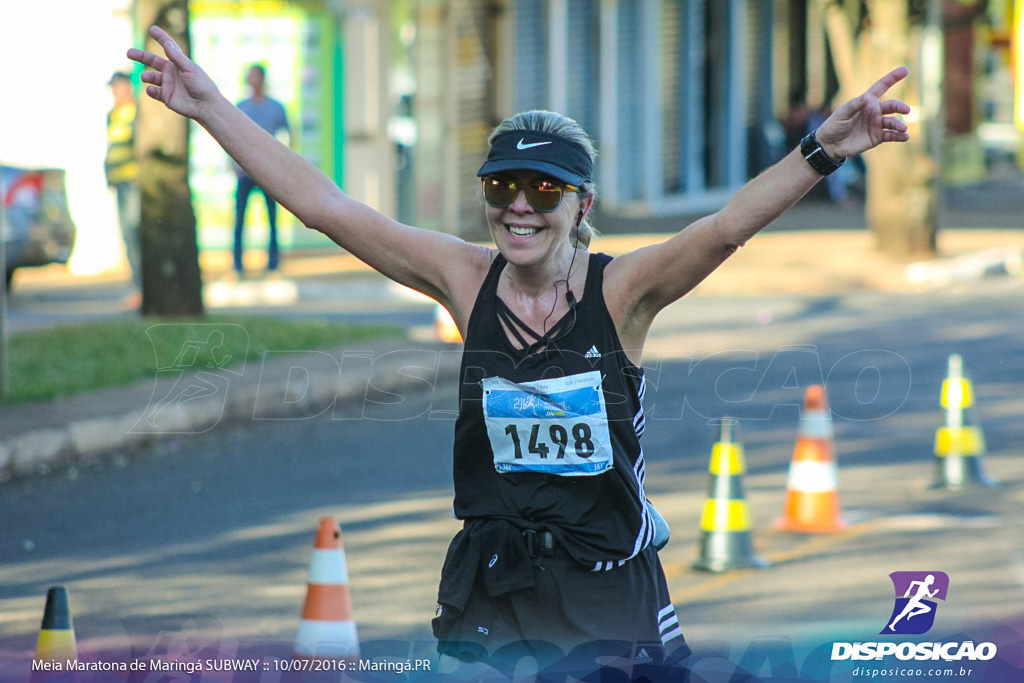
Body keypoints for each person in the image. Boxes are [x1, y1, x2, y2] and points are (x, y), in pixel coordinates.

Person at [129, 26, 911, 675]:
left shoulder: (620, 293)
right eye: (503, 186)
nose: (519, 206)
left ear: (581, 204)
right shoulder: (464, 279)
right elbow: (324, 206)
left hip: (608, 592)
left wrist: (824, 149)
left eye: (543, 189)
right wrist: (209, 108)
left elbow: (724, 227)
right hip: (493, 588)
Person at [233, 63, 290, 277]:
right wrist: (234, 165)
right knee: (239, 220)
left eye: (254, 76)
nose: (251, 80)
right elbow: (229, 136)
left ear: (262, 79)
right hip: (244, 173)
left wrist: (285, 163)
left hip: (269, 173)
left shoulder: (276, 107)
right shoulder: (241, 106)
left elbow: (289, 132)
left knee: (272, 219)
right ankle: (238, 264)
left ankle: (273, 263)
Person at [105, 71, 142, 307]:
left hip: (132, 183)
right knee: (127, 237)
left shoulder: (137, 112)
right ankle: (136, 286)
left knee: (135, 232)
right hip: (119, 182)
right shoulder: (112, 114)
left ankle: (142, 288)